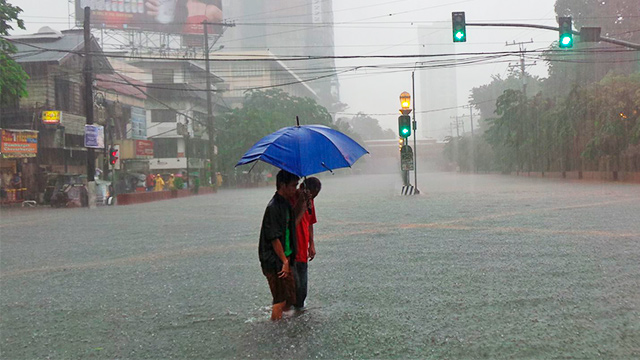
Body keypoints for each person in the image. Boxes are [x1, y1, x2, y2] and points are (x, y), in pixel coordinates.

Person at [258, 170, 300, 321]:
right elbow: (274, 238)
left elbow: (292, 224)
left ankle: (283, 326)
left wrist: (304, 201)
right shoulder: (273, 207)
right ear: (282, 185)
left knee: (290, 297)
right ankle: (275, 330)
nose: (295, 189)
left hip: (285, 257)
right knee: (280, 299)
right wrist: (284, 261)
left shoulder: (286, 204)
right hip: (275, 260)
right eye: (293, 186)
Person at [290, 177, 322, 310]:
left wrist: (312, 244)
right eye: (313, 194)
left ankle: (298, 315)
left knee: (302, 290)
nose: (313, 198)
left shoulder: (310, 201)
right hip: (291, 249)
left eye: (315, 196)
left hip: (303, 250)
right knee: (293, 287)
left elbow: (310, 223)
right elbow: (290, 223)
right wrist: (302, 204)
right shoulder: (292, 198)